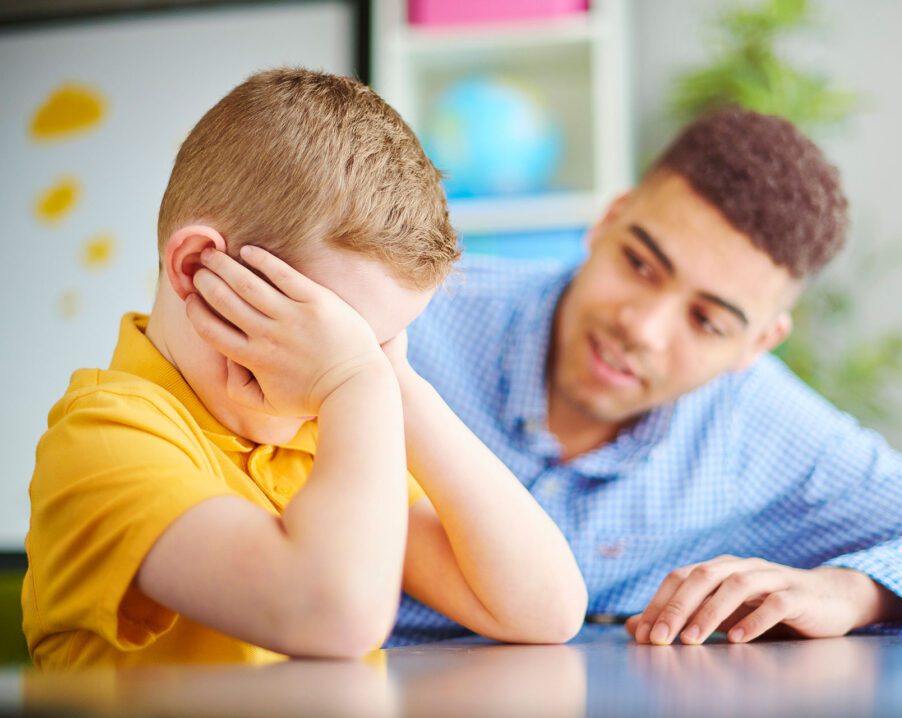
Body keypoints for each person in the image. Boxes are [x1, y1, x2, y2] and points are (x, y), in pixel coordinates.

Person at [389, 106, 902, 647]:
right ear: (608, 220)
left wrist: (850, 593)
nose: (644, 328)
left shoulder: (761, 424)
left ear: (759, 342)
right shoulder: (411, 315)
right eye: (639, 264)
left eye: (708, 321)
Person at [22, 68, 587, 669]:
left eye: (375, 343)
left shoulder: (322, 434)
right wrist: (355, 383)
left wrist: (397, 382)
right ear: (197, 270)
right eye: (327, 333)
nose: (348, 363)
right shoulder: (102, 441)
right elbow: (334, 613)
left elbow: (544, 609)